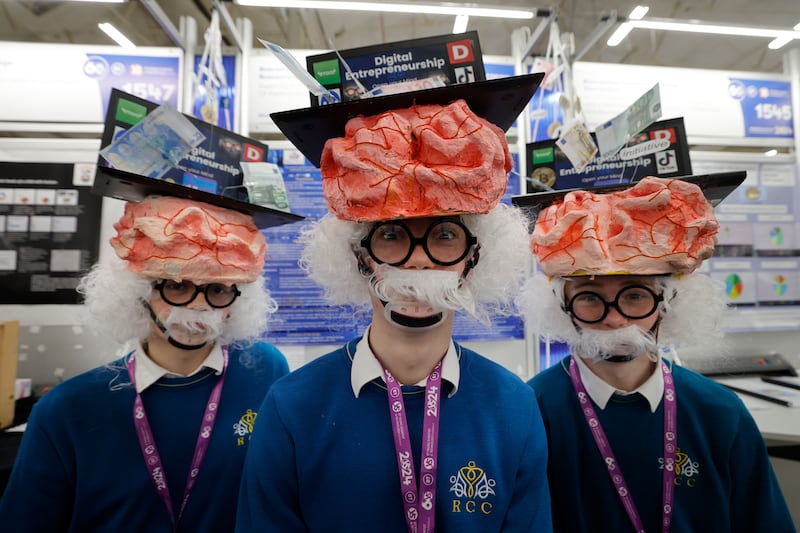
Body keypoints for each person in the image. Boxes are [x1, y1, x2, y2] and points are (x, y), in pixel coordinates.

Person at [236, 76, 553, 532]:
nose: (419, 260)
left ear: (474, 256)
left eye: (445, 235)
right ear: (358, 256)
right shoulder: (292, 406)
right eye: (391, 236)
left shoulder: (514, 407)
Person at [515, 176, 795, 532]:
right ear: (561, 305)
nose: (614, 317)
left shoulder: (720, 412)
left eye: (634, 296)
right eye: (589, 297)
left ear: (667, 303)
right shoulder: (531, 410)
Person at [0, 195, 290, 532]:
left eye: (217, 289)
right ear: (137, 291)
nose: (198, 306)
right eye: (177, 286)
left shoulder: (263, 369)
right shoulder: (68, 409)